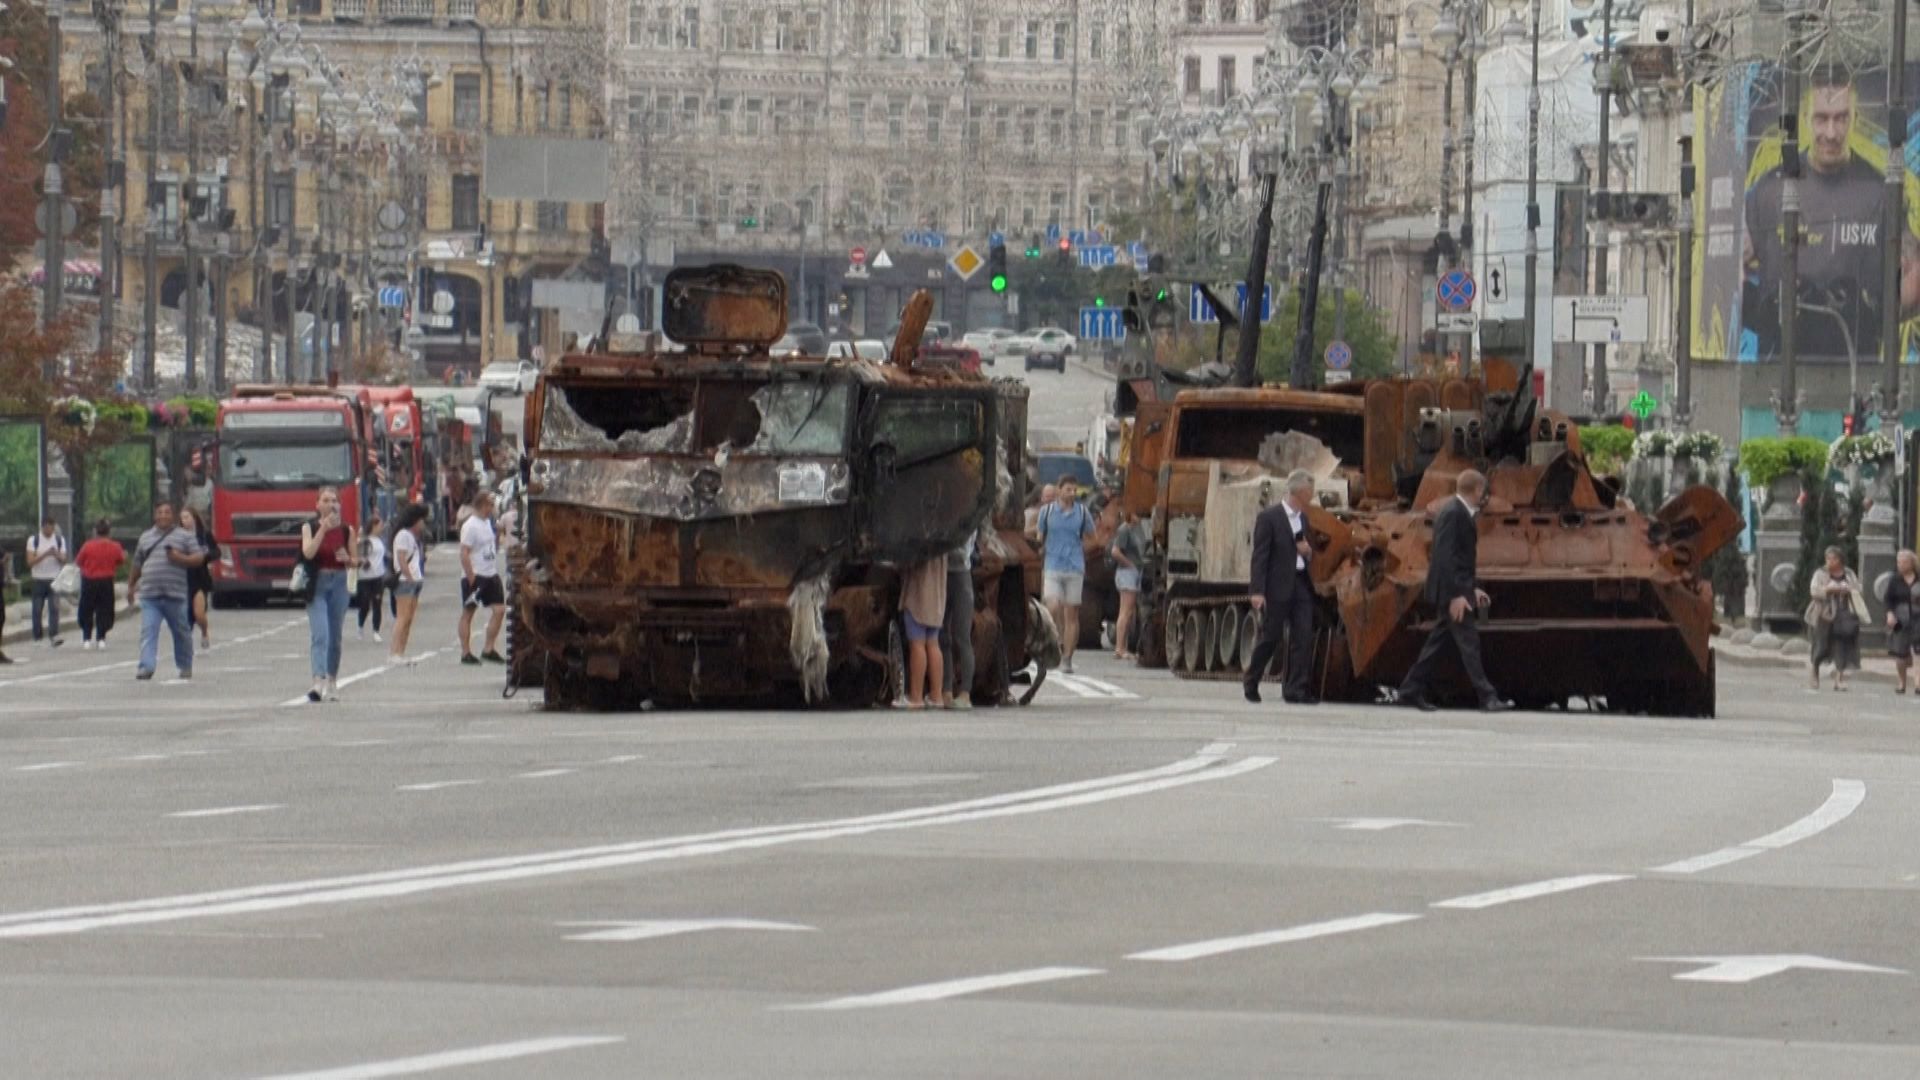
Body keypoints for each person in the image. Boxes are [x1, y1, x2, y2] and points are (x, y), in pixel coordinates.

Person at [1742, 69, 1888, 360]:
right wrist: (1761, 312)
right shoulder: (1770, 191)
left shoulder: (1880, 192)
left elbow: (1913, 269)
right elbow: (1728, 265)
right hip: (1777, 374)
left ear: (1854, 119)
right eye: (1822, 118)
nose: (1831, 133)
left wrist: (1878, 315)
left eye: (1841, 118)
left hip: (1858, 374)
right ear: (1806, 119)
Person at [1396, 470, 1512, 713]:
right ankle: (1487, 697)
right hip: (1451, 593)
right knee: (1469, 643)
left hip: (1456, 589)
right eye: (1483, 490)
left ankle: (1409, 689)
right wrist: (1457, 596)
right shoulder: (1453, 514)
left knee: (1437, 643)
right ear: (1478, 490)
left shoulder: (1457, 512)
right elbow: (1444, 558)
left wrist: (1474, 589)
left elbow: (1462, 560)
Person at [1244, 470, 1321, 705]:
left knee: (1303, 636)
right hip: (1276, 586)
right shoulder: (1269, 518)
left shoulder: (1304, 519)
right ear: (1298, 493)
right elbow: (1260, 556)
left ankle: (1295, 688)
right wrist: (1257, 591)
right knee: (1271, 637)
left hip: (1300, 583)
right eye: (1308, 495)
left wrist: (1308, 553)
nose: (1310, 499)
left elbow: (1306, 549)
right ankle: (1251, 679)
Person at [126, 502, 204, 682]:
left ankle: (185, 665)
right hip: (150, 595)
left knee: (181, 632)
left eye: (167, 512)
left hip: (175, 595)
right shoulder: (146, 538)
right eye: (159, 512)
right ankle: (146, 667)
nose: (163, 516)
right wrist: (131, 585)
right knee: (148, 631)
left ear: (173, 516)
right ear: (155, 516)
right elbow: (137, 563)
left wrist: (180, 558)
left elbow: (199, 558)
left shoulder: (184, 537)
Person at [300, 486, 359, 703]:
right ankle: (318, 681)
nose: (331, 504)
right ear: (317, 505)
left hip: (339, 583)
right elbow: (308, 553)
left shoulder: (346, 530)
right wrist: (322, 530)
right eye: (325, 500)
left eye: (334, 500)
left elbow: (355, 561)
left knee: (335, 636)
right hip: (318, 584)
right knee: (320, 633)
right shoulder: (309, 527)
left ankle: (332, 680)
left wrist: (349, 560)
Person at [1035, 476, 1096, 673]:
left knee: (1072, 614)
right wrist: (1041, 550)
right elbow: (1039, 536)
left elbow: (1091, 537)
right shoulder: (1047, 512)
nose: (1072, 493)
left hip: (1074, 567)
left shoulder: (1082, 512)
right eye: (1068, 489)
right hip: (1053, 565)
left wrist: (1079, 550)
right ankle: (1050, 643)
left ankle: (1067, 657)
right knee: (1052, 606)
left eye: (1074, 490)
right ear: (1059, 490)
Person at [1807, 545, 1869, 691]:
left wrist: (1848, 589)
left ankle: (1839, 679)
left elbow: (1858, 588)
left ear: (1840, 559)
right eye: (1828, 558)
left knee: (1841, 644)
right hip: (1824, 614)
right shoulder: (1820, 573)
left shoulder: (1848, 573)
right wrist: (1827, 589)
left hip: (1844, 613)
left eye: (1834, 558)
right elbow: (1814, 590)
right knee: (1821, 646)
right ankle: (1815, 672)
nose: (1830, 561)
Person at [458, 491, 507, 665]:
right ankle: (465, 652)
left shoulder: (487, 522)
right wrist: (471, 577)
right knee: (469, 612)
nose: (491, 509)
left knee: (500, 610)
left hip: (490, 573)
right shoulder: (470, 526)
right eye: (489, 505)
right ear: (481, 505)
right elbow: (464, 553)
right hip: (476, 574)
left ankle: (489, 648)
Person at [900, 556, 948, 709]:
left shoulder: (924, 535)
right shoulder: (946, 535)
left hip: (919, 593)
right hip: (937, 596)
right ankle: (936, 696)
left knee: (917, 644)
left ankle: (916, 697)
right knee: (933, 643)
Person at [74, 519, 126, 651]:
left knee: (87, 609)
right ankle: (101, 638)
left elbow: (79, 561)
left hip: (89, 580)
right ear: (109, 532)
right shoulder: (115, 546)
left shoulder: (87, 546)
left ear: (95, 531)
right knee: (105, 609)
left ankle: (86, 638)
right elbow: (120, 560)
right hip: (107, 580)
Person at [387, 503, 429, 663]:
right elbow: (401, 558)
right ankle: (394, 652)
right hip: (406, 581)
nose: (423, 524)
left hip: (415, 579)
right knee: (402, 617)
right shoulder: (403, 535)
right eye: (421, 520)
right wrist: (409, 576)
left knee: (409, 618)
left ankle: (401, 651)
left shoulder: (412, 536)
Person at [941, 534, 977, 710]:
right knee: (942, 636)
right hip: (942, 574)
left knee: (962, 636)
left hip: (960, 573)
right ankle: (946, 689)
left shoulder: (966, 516)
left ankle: (965, 692)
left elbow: (963, 552)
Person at [178, 507, 218, 649]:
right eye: (183, 518)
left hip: (200, 578)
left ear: (194, 518)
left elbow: (216, 552)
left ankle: (204, 632)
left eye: (188, 517)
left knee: (199, 613)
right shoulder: (178, 537)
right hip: (184, 579)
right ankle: (186, 644)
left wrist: (205, 556)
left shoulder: (204, 535)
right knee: (186, 614)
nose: (186, 521)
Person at [1110, 508, 1147, 661]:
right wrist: (1130, 564)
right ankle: (1119, 648)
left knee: (1129, 611)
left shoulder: (1137, 529)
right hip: (1127, 572)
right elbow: (1115, 551)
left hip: (1135, 572)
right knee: (1125, 611)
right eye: (1137, 513)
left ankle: (1123, 647)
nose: (1139, 517)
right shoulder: (1124, 529)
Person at [26, 518, 67, 648]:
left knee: (54, 608)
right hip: (39, 579)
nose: (50, 531)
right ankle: (37, 636)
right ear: (43, 527)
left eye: (52, 528)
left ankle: (54, 635)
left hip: (54, 578)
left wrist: (56, 554)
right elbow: (30, 561)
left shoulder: (60, 540)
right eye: (48, 528)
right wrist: (45, 554)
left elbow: (64, 560)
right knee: (37, 609)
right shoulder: (34, 540)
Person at [1883, 549, 1918, 693]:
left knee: (1918, 652)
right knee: (1900, 654)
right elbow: (1888, 599)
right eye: (1899, 562)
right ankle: (1902, 682)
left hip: (1918, 618)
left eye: (1904, 562)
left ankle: (1918, 683)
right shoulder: (1894, 580)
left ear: (1912, 563)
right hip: (1900, 619)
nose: (1901, 565)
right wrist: (1890, 614)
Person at [355, 513, 389, 643]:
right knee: (364, 604)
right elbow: (359, 556)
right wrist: (364, 562)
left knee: (377, 603)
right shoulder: (365, 541)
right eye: (380, 525)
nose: (382, 528)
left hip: (378, 576)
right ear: (373, 526)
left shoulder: (380, 541)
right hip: (365, 577)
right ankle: (360, 627)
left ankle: (376, 630)